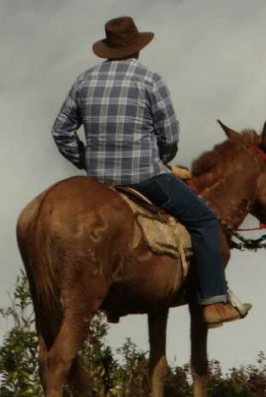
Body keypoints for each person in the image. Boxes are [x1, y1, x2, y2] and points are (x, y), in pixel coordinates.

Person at [51, 16, 248, 327]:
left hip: (99, 180)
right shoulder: (150, 80)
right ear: (137, 48)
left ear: (107, 49)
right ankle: (213, 301)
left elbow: (61, 131)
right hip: (146, 175)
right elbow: (169, 136)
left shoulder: (84, 80)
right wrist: (162, 159)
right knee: (205, 221)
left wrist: (86, 160)